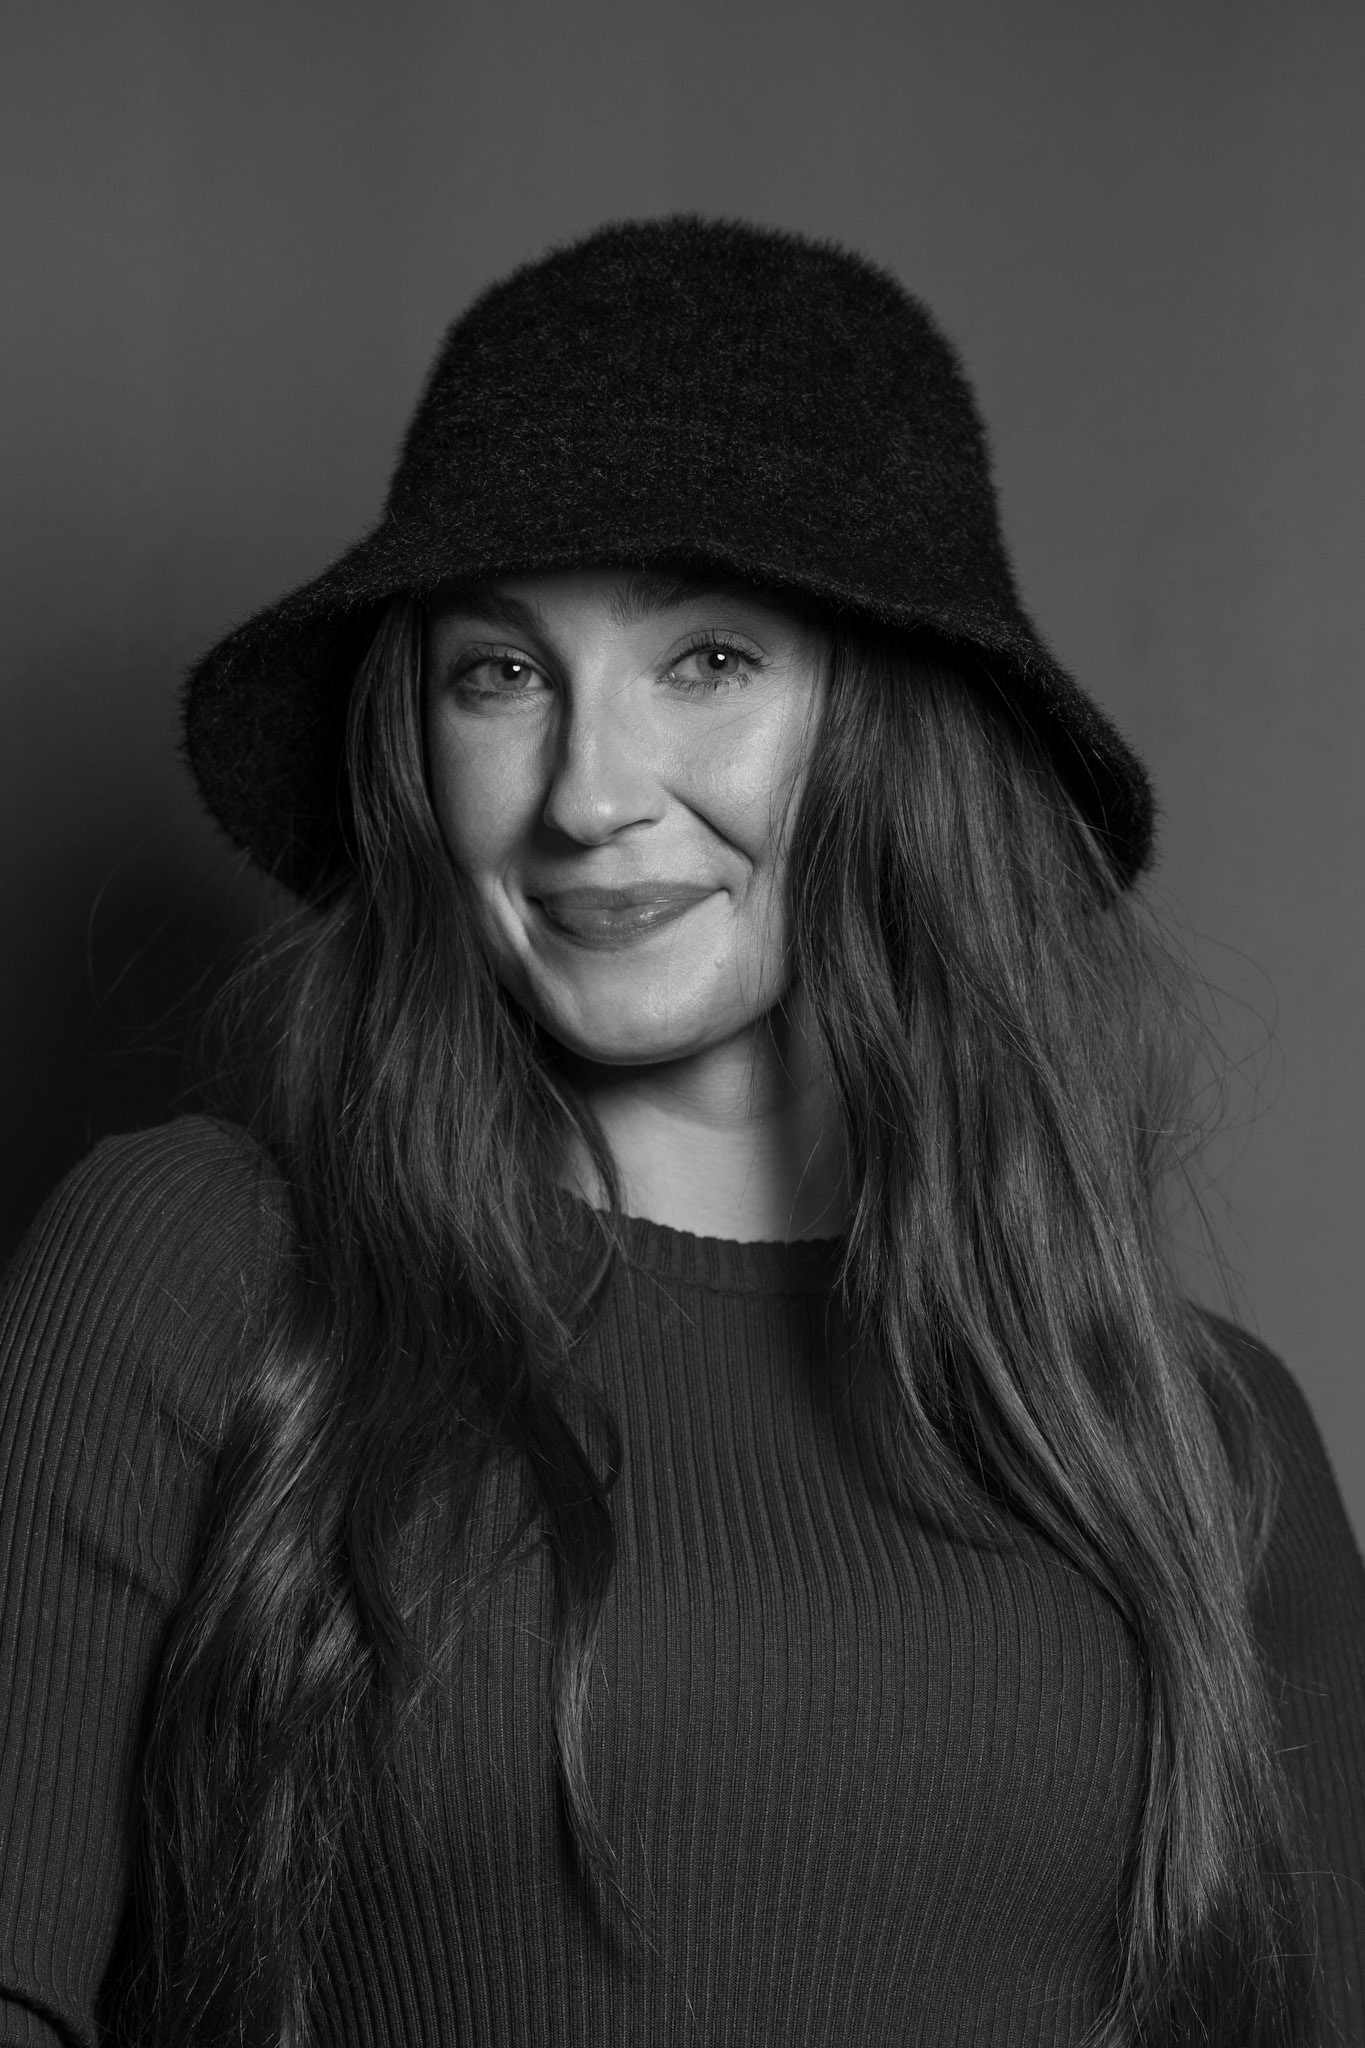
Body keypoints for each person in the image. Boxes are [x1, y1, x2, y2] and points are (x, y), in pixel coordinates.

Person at [1, 216, 1362, 2048]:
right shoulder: (202, 1275)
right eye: (498, 675)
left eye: (707, 661)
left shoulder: (1201, 1441)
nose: (586, 792)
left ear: (900, 729)